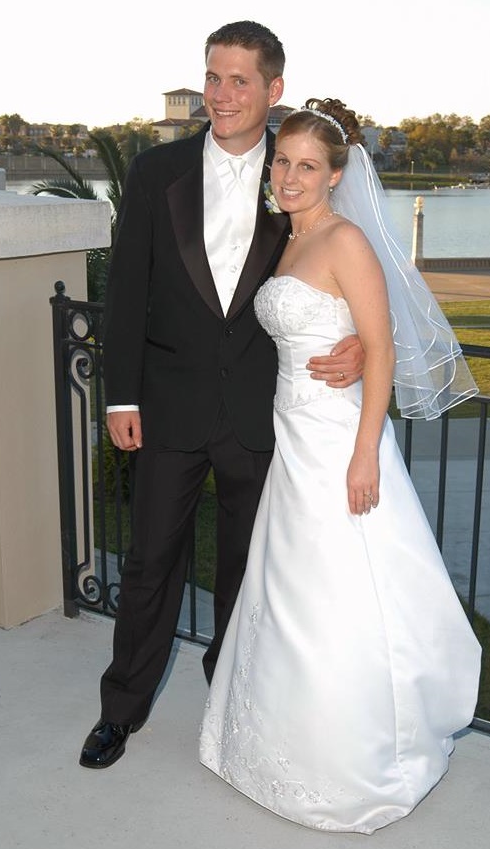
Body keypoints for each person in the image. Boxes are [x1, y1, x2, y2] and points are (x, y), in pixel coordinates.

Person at [79, 24, 363, 770]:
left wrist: (361, 342)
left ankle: (236, 704)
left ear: (274, 90)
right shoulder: (154, 171)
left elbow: (343, 264)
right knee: (149, 565)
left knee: (249, 571)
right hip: (167, 409)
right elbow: (127, 292)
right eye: (213, 77)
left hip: (264, 416)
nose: (222, 94)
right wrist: (120, 399)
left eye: (241, 81)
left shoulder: (296, 173)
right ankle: (121, 710)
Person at [199, 99, 483, 834]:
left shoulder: (346, 239)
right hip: (291, 435)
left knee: (333, 589)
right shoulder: (285, 238)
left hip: (337, 441)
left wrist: (365, 454)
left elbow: (382, 348)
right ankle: (270, 740)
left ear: (334, 175)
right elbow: (311, 324)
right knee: (286, 584)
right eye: (283, 162)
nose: (290, 177)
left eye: (307, 166)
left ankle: (350, 759)